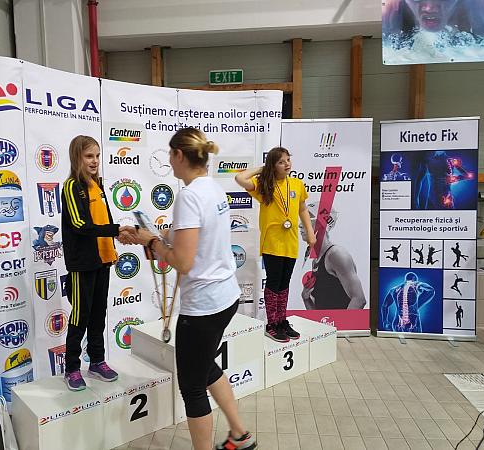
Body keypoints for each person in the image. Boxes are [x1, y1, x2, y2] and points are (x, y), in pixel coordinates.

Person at [134, 128, 256, 450]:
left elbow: (183, 262)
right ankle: (240, 435)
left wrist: (153, 243)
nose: (169, 161)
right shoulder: (212, 188)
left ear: (178, 155)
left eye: (169, 154)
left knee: (191, 385)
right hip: (224, 297)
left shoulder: (189, 196)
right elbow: (193, 236)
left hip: (204, 306)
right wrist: (157, 235)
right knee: (204, 366)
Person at [61, 135, 136, 391]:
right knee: (80, 317)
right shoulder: (72, 186)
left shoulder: (98, 185)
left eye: (97, 156)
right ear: (77, 158)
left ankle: (97, 361)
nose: (94, 161)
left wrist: (114, 242)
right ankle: (72, 368)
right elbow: (80, 225)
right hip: (82, 264)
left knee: (98, 315)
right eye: (88, 156)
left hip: (102, 261)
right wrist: (116, 230)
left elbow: (104, 219)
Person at [235, 148, 315, 343]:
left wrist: (310, 232)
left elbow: (303, 209)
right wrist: (262, 169)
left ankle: (281, 321)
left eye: (288, 159)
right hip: (272, 243)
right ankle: (272, 324)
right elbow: (239, 178)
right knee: (274, 283)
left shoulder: (296, 184)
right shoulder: (264, 186)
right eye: (281, 162)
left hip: (291, 242)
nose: (287, 164)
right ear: (272, 165)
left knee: (284, 284)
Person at [300, 203, 367, 311]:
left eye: (307, 219)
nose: (300, 225)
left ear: (321, 224)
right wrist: (306, 299)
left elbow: (359, 299)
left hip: (341, 322)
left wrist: (342, 321)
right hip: (327, 322)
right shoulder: (316, 260)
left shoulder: (336, 255)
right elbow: (318, 313)